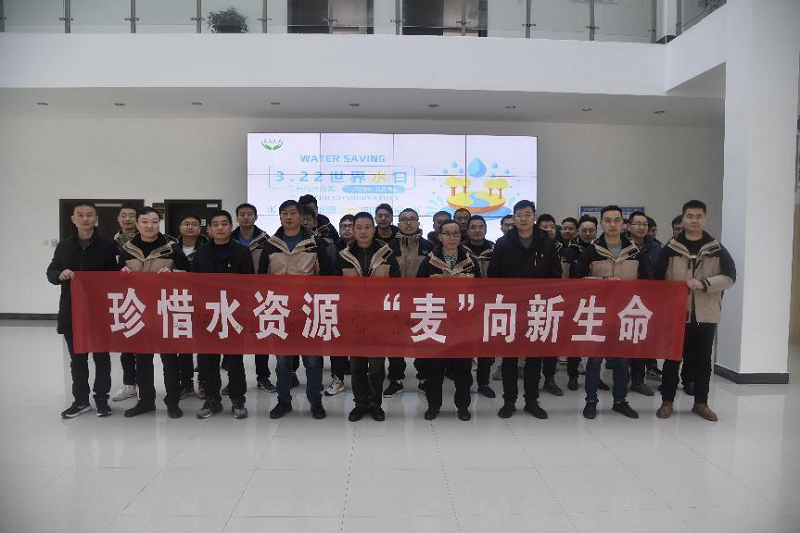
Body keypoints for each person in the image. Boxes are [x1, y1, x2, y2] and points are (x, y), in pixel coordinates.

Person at [656, 200, 736, 422]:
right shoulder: (670, 248)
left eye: (698, 216)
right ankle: (667, 402)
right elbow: (657, 281)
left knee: (702, 361)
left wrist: (704, 284)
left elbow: (730, 277)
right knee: (672, 359)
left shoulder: (717, 249)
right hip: (676, 315)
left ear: (705, 219)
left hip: (706, 314)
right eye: (689, 216)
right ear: (683, 219)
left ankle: (701, 403)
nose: (694, 220)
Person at [572, 205, 649, 420]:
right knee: (595, 360)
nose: (612, 225)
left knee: (622, 360)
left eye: (617, 220)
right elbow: (576, 280)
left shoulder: (635, 251)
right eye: (608, 220)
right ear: (601, 224)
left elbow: (646, 284)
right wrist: (603, 282)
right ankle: (591, 401)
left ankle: (620, 401)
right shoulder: (591, 251)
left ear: (623, 224)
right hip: (598, 313)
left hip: (625, 313)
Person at [488, 200, 561, 420]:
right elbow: (493, 275)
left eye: (528, 214)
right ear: (514, 217)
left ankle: (532, 401)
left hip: (538, 308)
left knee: (534, 358)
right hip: (510, 308)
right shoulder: (503, 243)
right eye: (519, 214)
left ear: (534, 216)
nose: (523, 218)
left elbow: (556, 275)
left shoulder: (547, 243)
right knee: (509, 358)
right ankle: (509, 401)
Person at [260, 200, 333, 420]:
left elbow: (327, 277)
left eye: (293, 213)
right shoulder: (271, 244)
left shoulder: (315, 243)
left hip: (308, 311)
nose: (289, 217)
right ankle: (283, 402)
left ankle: (315, 402)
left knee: (312, 361)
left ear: (301, 216)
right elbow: (261, 279)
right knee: (283, 362)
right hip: (280, 310)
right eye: (284, 213)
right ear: (280, 216)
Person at [118, 206, 190, 418]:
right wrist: (120, 273)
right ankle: (146, 401)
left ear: (159, 223)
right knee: (142, 360)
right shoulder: (127, 248)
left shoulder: (172, 247)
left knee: (170, 360)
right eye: (145, 222)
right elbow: (114, 277)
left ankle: (173, 402)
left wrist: (174, 272)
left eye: (154, 222)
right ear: (137, 224)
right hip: (139, 311)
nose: (149, 226)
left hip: (166, 310)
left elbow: (190, 272)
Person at [48, 202, 118, 418]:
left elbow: (115, 276)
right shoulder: (64, 246)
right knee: (77, 360)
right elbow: (52, 271)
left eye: (89, 215)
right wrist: (59, 275)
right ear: (73, 219)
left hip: (100, 312)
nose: (85, 219)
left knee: (102, 358)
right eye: (80, 215)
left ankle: (102, 399)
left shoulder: (107, 245)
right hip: (72, 312)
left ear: (96, 218)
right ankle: (80, 401)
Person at [334, 212, 400, 422]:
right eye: (358, 227)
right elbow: (333, 288)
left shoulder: (387, 254)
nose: (363, 231)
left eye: (367, 227)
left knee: (377, 367)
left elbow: (397, 286)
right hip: (353, 319)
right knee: (357, 366)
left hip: (379, 319)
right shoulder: (342, 255)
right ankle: (360, 404)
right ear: (353, 230)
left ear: (373, 229)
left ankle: (375, 404)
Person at [191, 210, 254, 419]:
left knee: (234, 360)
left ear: (231, 226)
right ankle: (212, 399)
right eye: (215, 224)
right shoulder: (200, 253)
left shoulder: (241, 252)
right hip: (208, 315)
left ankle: (238, 399)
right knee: (208, 360)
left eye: (224, 224)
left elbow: (248, 285)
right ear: (209, 229)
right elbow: (194, 285)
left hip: (233, 314)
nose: (220, 228)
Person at [416, 219, 481, 421]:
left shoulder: (471, 261)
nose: (452, 237)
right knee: (434, 369)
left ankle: (463, 407)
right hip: (436, 321)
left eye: (456, 234)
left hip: (463, 323)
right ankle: (433, 406)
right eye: (447, 233)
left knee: (463, 370)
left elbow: (480, 292)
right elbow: (418, 291)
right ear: (439, 236)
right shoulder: (429, 261)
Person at [384, 208, 435, 398]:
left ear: (418, 223)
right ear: (398, 224)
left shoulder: (429, 247)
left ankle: (424, 378)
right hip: (396, 302)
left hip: (421, 302)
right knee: (395, 341)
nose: (408, 222)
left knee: (422, 338)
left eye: (412, 219)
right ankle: (396, 379)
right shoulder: (388, 247)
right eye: (404, 219)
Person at [231, 203, 276, 394]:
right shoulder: (229, 239)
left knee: (261, 337)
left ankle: (263, 377)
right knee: (234, 339)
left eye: (249, 214)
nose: (245, 217)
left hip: (260, 295)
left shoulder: (267, 240)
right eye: (241, 214)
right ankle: (233, 380)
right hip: (234, 296)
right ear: (237, 218)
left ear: (256, 217)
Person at [559, 215, 601, 392]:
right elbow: (564, 278)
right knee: (575, 341)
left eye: (591, 230)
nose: (588, 233)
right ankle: (573, 375)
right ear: (578, 231)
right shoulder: (569, 251)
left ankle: (595, 376)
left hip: (598, 302)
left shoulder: (601, 249)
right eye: (584, 230)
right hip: (575, 301)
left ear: (596, 231)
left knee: (596, 342)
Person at [626, 210, 661, 396]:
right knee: (623, 340)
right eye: (638, 224)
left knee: (641, 340)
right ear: (628, 226)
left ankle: (638, 380)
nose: (641, 227)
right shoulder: (622, 245)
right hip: (623, 300)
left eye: (645, 224)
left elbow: (661, 273)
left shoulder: (656, 247)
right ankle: (621, 378)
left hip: (647, 300)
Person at [462, 215, 496, 398]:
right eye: (473, 227)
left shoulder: (495, 249)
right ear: (467, 231)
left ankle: (483, 382)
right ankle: (465, 381)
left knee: (485, 345)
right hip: (465, 304)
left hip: (489, 303)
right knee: (466, 344)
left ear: (486, 229)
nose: (477, 230)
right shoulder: (460, 250)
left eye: (480, 226)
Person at [175, 213, 208, 399]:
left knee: (204, 345)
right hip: (179, 301)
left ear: (200, 228)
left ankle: (203, 383)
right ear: (180, 228)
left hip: (203, 301)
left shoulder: (208, 246)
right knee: (183, 345)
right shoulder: (170, 247)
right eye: (186, 224)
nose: (190, 227)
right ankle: (186, 384)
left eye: (194, 224)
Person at [324, 214, 356, 397]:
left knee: (359, 342)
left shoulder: (365, 248)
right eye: (343, 226)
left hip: (360, 304)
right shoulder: (330, 249)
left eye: (350, 225)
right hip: (336, 303)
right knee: (337, 343)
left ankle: (360, 380)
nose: (347, 229)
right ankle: (338, 379)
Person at [111, 203, 139, 403]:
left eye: (131, 216)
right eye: (124, 215)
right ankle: (129, 385)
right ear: (118, 218)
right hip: (122, 298)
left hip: (149, 296)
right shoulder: (109, 243)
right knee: (127, 343)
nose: (128, 219)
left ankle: (146, 386)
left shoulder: (147, 239)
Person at [490, 214, 518, 383]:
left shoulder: (527, 244)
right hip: (503, 297)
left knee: (524, 332)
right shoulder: (499, 245)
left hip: (525, 297)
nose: (510, 228)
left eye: (513, 225)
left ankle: (521, 366)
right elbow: (494, 271)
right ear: (501, 228)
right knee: (503, 333)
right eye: (506, 225)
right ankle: (501, 365)